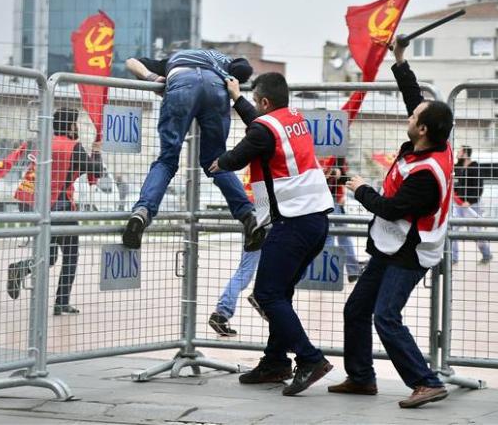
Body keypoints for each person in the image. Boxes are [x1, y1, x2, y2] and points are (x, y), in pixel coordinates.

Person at [327, 41, 452, 409]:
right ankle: (362, 378)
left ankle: (425, 381)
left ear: (424, 129)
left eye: (415, 118)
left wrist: (359, 188)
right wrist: (400, 60)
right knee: (356, 310)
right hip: (390, 244)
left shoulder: (427, 172)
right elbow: (414, 98)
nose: (409, 117)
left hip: (410, 250)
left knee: (385, 316)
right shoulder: (434, 142)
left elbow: (391, 208)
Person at [209, 72, 335, 396]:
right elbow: (259, 128)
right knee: (281, 293)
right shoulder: (292, 119)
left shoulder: (265, 130)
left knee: (267, 295)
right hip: (315, 220)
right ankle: (276, 363)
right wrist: (237, 98)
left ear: (264, 102)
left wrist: (217, 163)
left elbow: (239, 155)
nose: (253, 106)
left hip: (291, 223)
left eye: (254, 101)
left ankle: (310, 359)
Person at [121, 49, 264, 252]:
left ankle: (142, 212)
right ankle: (249, 217)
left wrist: (152, 78)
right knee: (217, 161)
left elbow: (131, 61)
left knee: (167, 160)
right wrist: (229, 78)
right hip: (216, 87)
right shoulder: (223, 59)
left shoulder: (173, 60)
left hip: (180, 83)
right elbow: (245, 69)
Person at [7, 108, 104, 315]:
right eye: (75, 123)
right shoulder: (73, 147)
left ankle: (22, 267)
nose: (77, 127)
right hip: (59, 208)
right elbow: (96, 171)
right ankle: (61, 301)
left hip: (33, 205)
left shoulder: (42, 142)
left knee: (49, 255)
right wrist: (96, 151)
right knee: (70, 254)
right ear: (70, 126)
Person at [319, 156, 361, 282]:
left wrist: (337, 174)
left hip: (334, 198)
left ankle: (351, 270)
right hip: (324, 198)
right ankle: (328, 272)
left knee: (341, 233)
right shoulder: (318, 150)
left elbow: (341, 177)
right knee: (331, 234)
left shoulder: (338, 155)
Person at [451, 145, 491, 265]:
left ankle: (486, 254)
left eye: (460, 151)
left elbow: (479, 187)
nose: (458, 152)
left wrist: (470, 201)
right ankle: (453, 258)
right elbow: (455, 184)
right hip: (458, 204)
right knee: (452, 229)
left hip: (472, 205)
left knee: (475, 231)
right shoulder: (457, 167)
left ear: (466, 153)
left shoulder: (475, 167)